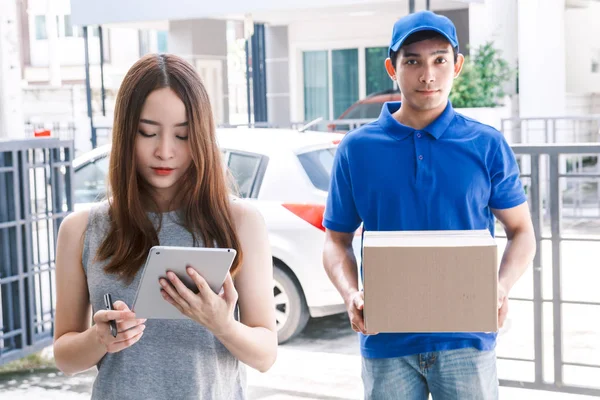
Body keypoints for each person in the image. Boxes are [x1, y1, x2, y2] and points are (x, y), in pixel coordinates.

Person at [322, 10, 536, 400]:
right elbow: (335, 240)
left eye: (439, 60)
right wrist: (350, 293)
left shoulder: (486, 145)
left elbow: (522, 232)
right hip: (385, 340)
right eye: (413, 61)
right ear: (392, 67)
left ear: (457, 66)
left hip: (466, 341)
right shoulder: (357, 149)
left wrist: (500, 288)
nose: (428, 75)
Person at [53, 53, 277, 399]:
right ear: (126, 134)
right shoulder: (81, 229)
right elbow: (65, 357)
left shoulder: (240, 222)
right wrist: (98, 338)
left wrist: (223, 325)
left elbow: (265, 355)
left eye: (183, 135)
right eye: (147, 132)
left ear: (201, 137)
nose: (165, 151)